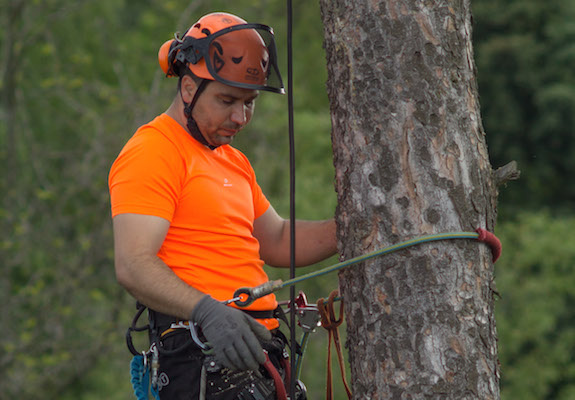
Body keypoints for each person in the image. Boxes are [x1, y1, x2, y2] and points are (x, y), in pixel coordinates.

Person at [108, 11, 337, 399]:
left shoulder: (231, 159)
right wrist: (207, 311)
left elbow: (277, 239)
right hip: (202, 352)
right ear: (187, 88)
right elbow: (133, 263)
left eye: (249, 103)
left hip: (258, 350)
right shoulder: (154, 151)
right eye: (227, 100)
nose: (240, 117)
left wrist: (358, 228)